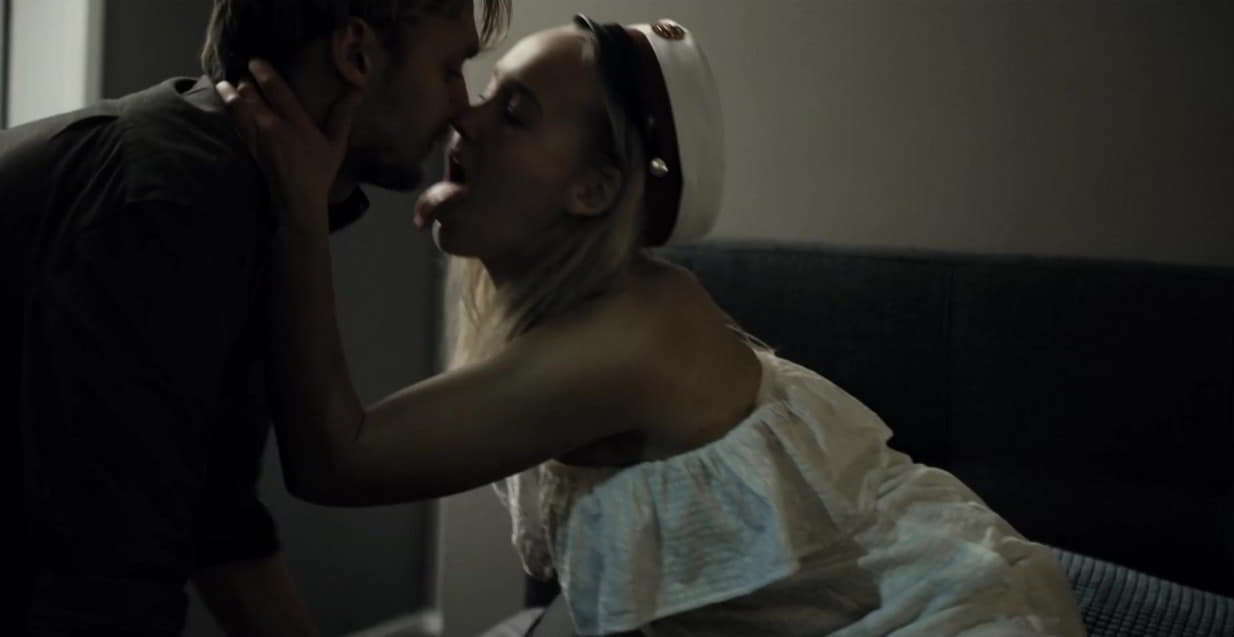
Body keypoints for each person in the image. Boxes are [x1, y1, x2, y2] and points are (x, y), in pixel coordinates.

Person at [219, 14, 1088, 637]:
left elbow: (338, 458)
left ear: (593, 189)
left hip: (946, 612)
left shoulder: (634, 338)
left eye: (514, 112)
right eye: (485, 93)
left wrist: (299, 212)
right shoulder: (579, 311)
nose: (462, 117)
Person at [2, 0, 509, 634]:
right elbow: (106, 578)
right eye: (451, 67)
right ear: (355, 54)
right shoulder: (172, 200)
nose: (461, 106)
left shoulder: (224, 177)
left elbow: (216, 519)